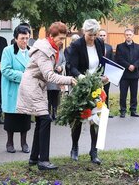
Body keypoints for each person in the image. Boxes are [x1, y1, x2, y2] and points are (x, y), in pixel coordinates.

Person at [16, 21, 77, 171]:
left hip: (38, 86)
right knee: (45, 119)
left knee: (41, 120)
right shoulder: (43, 50)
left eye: (63, 39)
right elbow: (49, 75)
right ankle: (43, 160)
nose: (62, 42)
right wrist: (68, 80)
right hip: (32, 86)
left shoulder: (52, 47)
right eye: (60, 38)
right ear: (51, 35)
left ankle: (34, 158)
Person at [68, 19, 109, 165]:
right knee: (79, 119)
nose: (92, 38)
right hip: (80, 85)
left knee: (96, 119)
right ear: (84, 31)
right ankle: (74, 148)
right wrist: (82, 77)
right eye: (90, 35)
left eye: (95, 35)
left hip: (96, 86)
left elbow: (101, 63)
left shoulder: (99, 43)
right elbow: (71, 67)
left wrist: (104, 75)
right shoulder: (76, 45)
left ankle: (94, 151)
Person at [1, 25, 32, 154]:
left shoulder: (32, 51)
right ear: (15, 38)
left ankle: (24, 142)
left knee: (25, 117)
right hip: (13, 89)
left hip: (27, 90)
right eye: (22, 38)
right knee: (11, 117)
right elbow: (5, 70)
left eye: (27, 38)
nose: (25, 41)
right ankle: (10, 142)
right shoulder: (8, 51)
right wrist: (24, 76)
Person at [115, 28, 139, 118]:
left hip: (134, 74)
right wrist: (128, 66)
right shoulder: (120, 46)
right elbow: (119, 58)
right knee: (123, 94)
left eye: (130, 34)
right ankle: (123, 110)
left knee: (134, 94)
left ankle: (133, 110)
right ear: (124, 36)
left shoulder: (138, 47)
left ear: (133, 35)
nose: (128, 36)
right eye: (127, 35)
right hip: (124, 75)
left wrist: (134, 66)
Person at [47, 45, 66, 121]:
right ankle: (48, 112)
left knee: (56, 96)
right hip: (49, 77)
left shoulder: (61, 51)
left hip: (58, 77)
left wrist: (61, 67)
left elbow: (64, 61)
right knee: (48, 96)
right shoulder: (48, 49)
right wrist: (54, 67)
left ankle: (55, 112)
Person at [98, 29, 114, 118]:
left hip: (107, 74)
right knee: (97, 93)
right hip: (97, 74)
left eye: (104, 35)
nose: (102, 37)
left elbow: (111, 61)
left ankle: (106, 111)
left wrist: (110, 73)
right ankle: (97, 111)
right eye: (100, 35)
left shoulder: (109, 47)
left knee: (106, 92)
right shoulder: (95, 46)